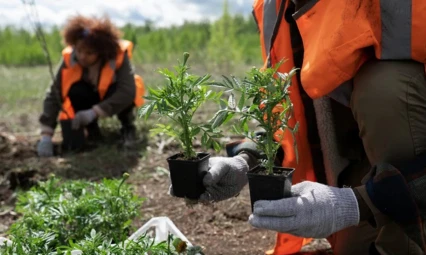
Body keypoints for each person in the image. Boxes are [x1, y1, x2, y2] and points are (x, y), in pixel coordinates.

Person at [170, 1, 426, 254]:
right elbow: (292, 115)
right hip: (377, 173)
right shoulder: (276, 8)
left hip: (412, 171)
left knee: (384, 89)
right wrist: (247, 159)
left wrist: (360, 202)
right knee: (355, 248)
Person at [37, 15, 145, 157]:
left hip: (112, 97)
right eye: (79, 50)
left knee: (125, 93)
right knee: (76, 91)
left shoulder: (117, 56)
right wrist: (46, 135)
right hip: (90, 97)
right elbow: (54, 95)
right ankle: (92, 133)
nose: (82, 56)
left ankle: (127, 127)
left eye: (89, 53)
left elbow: (127, 91)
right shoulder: (70, 58)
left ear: (101, 52)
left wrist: (94, 112)